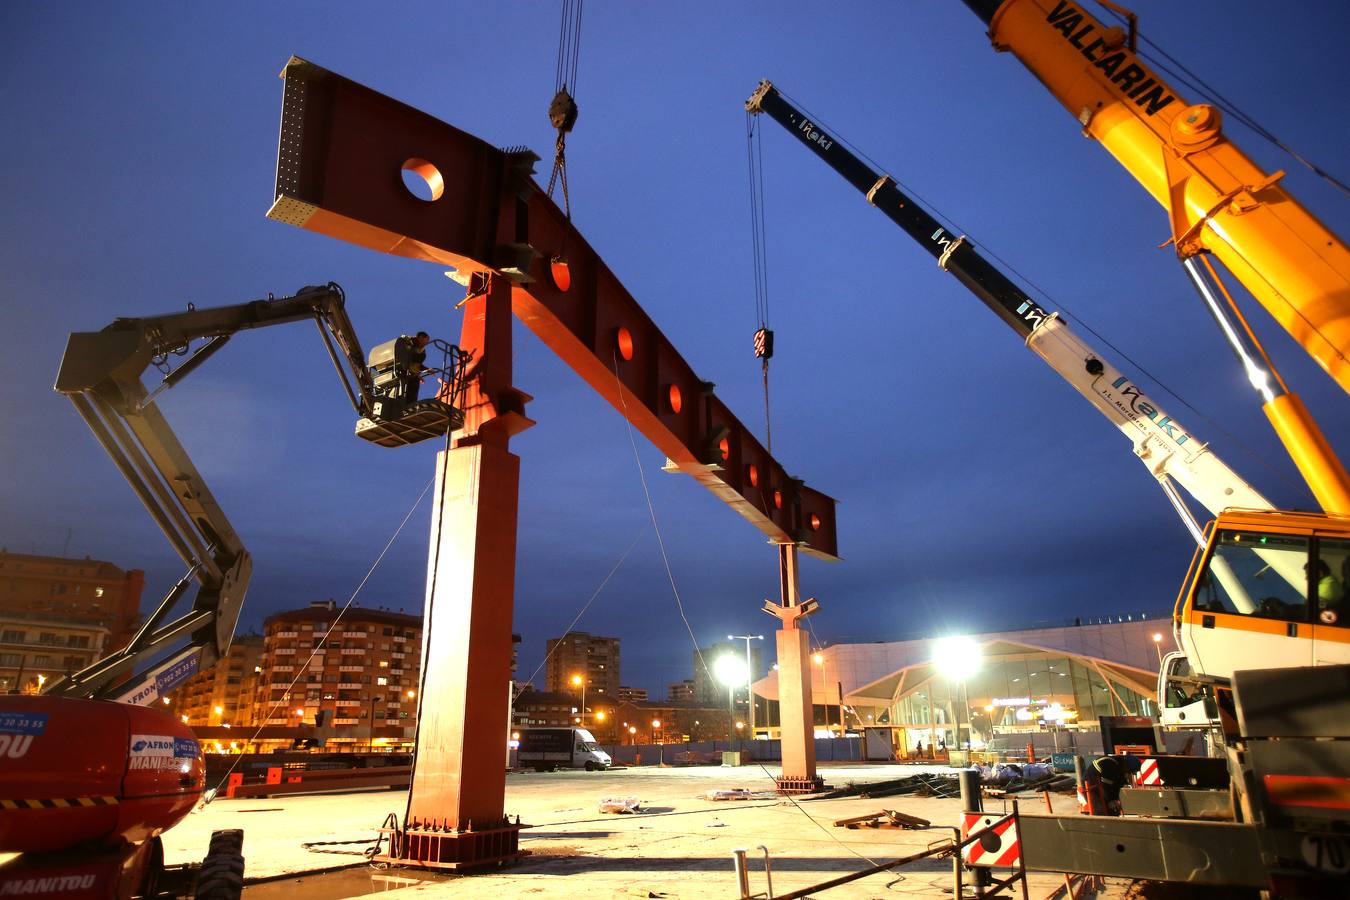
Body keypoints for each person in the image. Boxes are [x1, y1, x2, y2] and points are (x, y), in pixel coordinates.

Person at [395, 331, 431, 403]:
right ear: (420, 338)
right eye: (425, 341)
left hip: (409, 373)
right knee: (410, 383)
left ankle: (410, 405)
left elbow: (416, 364)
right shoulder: (404, 342)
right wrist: (415, 373)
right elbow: (405, 360)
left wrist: (426, 370)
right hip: (401, 371)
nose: (426, 343)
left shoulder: (421, 352)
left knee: (414, 384)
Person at [1314, 558, 1345, 624]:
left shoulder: (1325, 589)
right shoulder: (1331, 581)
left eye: (1308, 574)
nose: (1306, 578)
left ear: (1320, 573)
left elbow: (1312, 611)